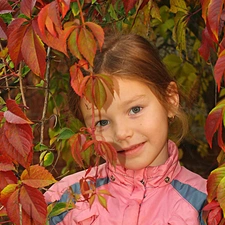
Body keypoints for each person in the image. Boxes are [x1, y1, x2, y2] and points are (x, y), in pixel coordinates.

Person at [44, 33, 207, 225]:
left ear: (170, 100)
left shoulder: (204, 204)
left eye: (135, 109)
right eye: (102, 122)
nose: (121, 133)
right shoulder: (65, 200)